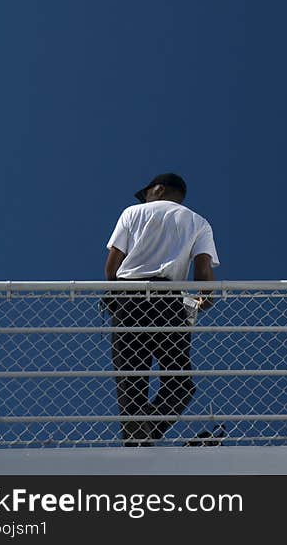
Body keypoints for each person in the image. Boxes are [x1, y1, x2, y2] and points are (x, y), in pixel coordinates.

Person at [103, 172, 220, 446]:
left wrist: (116, 296)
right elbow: (203, 271)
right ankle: (151, 429)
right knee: (179, 382)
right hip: (168, 301)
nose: (144, 197)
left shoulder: (132, 213)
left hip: (128, 300)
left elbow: (111, 266)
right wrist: (205, 299)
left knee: (131, 376)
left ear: (159, 188)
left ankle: (136, 440)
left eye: (147, 191)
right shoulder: (199, 222)